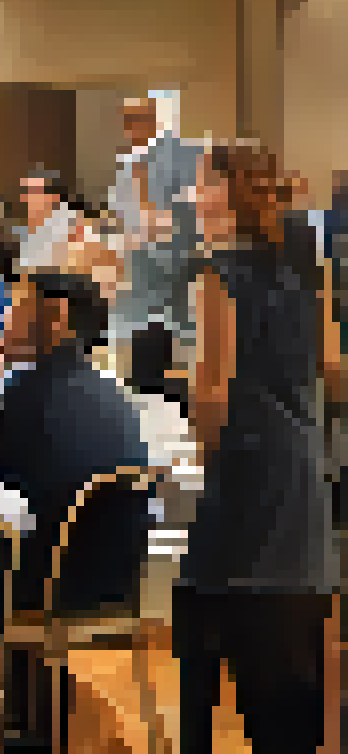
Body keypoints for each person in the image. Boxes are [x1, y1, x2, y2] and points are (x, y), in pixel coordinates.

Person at [172, 141, 339, 754]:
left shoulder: (219, 272)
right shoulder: (306, 259)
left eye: (201, 184)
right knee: (293, 654)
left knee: (210, 614)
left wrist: (203, 450)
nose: (193, 195)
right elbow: (330, 363)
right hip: (301, 469)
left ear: (227, 191)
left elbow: (212, 387)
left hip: (247, 465)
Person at [0, 272, 146, 612]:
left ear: (57, 317)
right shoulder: (117, 397)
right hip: (118, 582)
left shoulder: (22, 395)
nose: (6, 318)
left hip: (44, 586)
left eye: (19, 306)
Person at [110, 98, 199, 403]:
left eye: (138, 118)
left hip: (178, 296)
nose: (130, 128)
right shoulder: (128, 168)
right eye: (126, 119)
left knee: (178, 391)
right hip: (139, 297)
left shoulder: (188, 159)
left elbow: (179, 231)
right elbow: (125, 227)